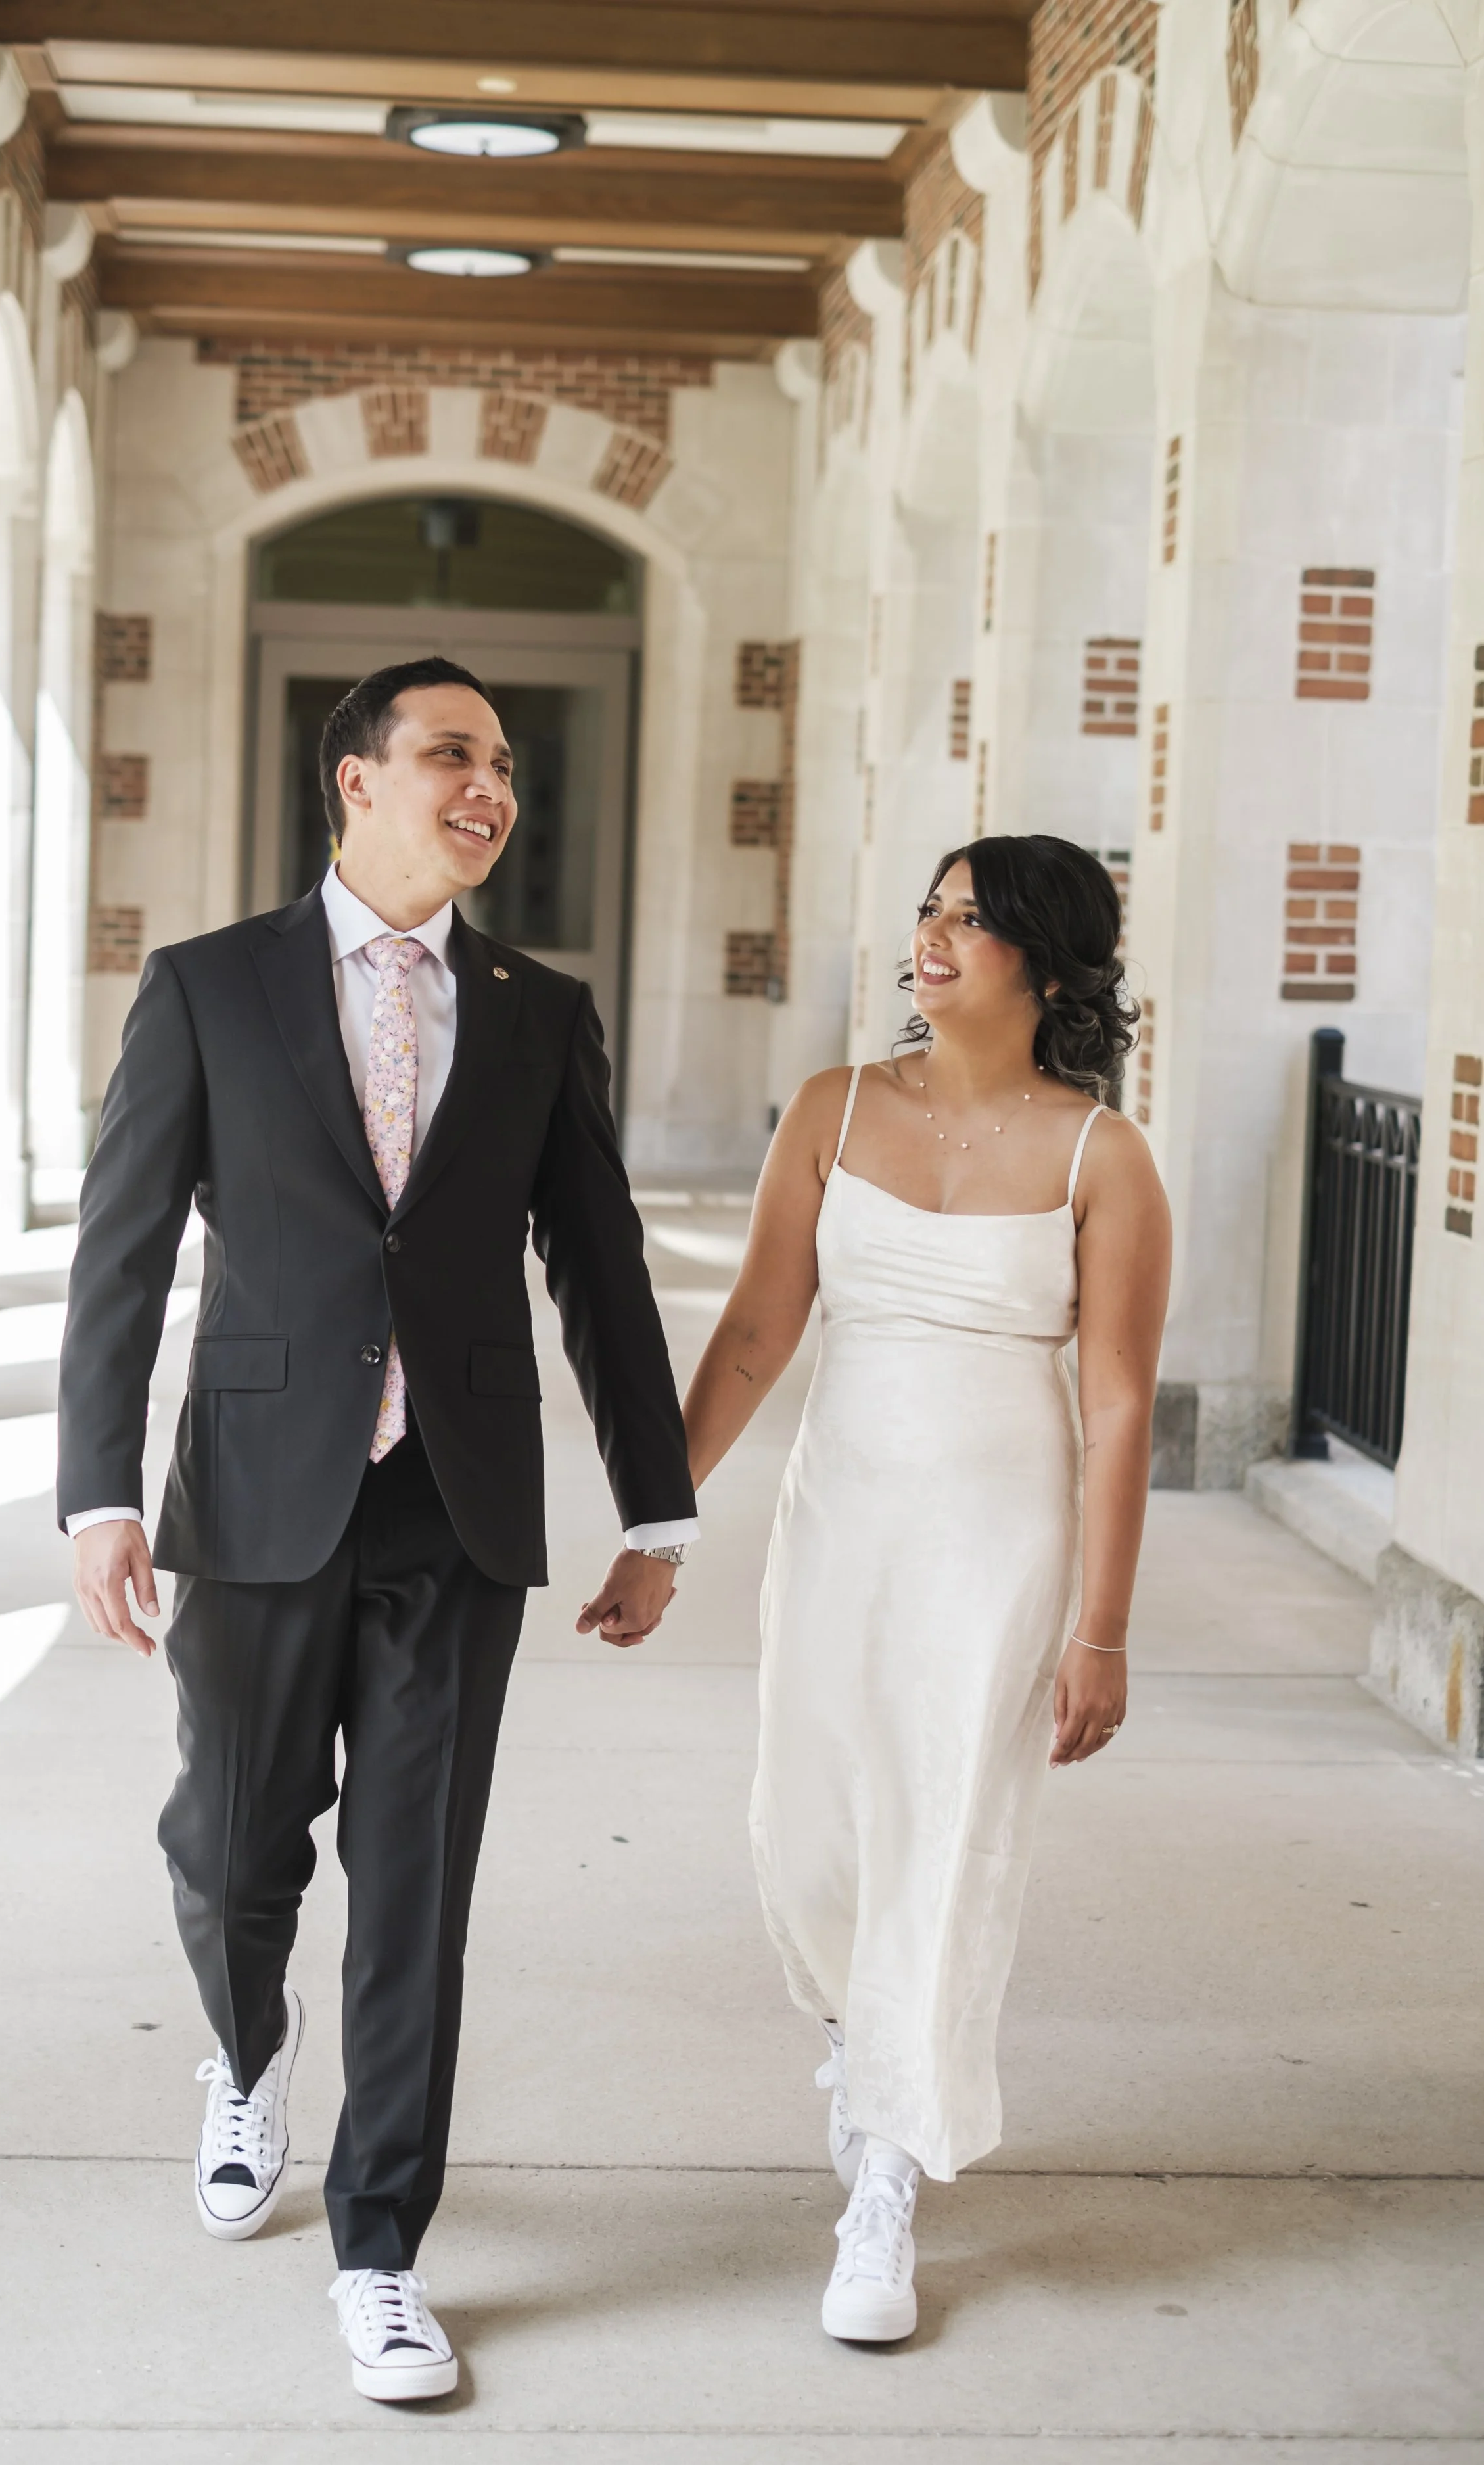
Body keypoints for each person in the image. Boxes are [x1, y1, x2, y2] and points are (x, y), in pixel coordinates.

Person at [58, 655, 697, 2403]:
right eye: (449, 754)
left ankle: (381, 2247)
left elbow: (601, 1267)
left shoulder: (538, 1006)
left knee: (414, 1888)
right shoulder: (208, 987)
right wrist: (100, 1490)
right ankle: (247, 2051)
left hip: (457, 1500)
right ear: (355, 778)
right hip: (259, 1493)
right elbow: (122, 1251)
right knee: (234, 1839)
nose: (487, 783)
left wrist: (657, 1505)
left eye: (500, 760)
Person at [681, 834, 1171, 2345]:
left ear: (1043, 959)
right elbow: (760, 1326)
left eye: (973, 919)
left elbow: (1117, 1408)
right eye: (930, 910)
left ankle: (883, 2181)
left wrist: (1100, 1626)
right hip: (843, 1519)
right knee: (808, 1832)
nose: (934, 937)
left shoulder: (1103, 1157)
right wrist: (658, 1516)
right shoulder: (831, 1109)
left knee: (945, 1838)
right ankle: (862, 2037)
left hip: (1000, 1541)